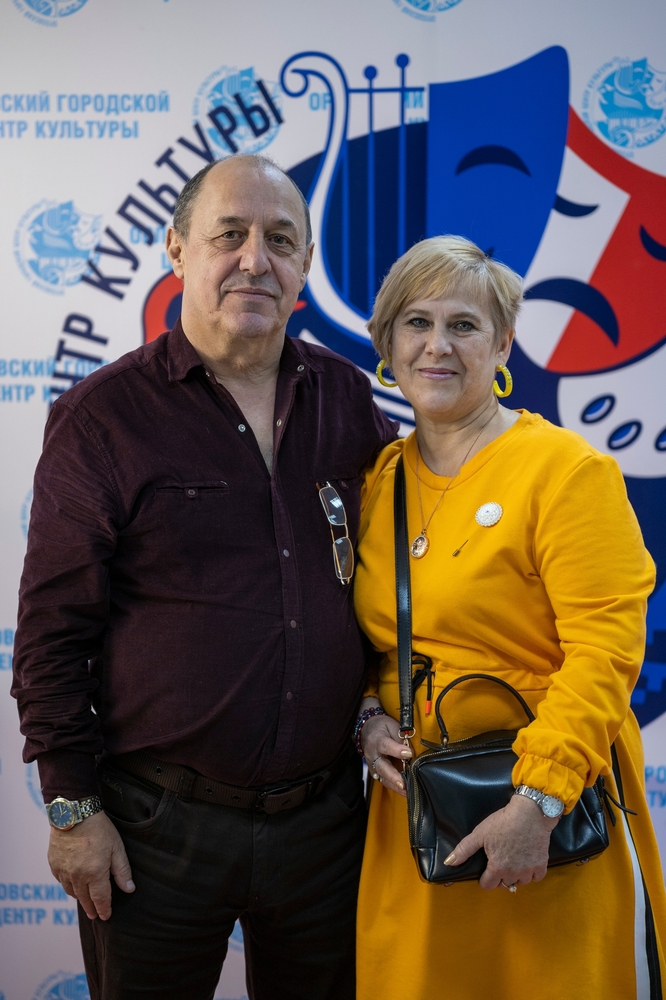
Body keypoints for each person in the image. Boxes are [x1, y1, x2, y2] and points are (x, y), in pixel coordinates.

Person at [12, 154, 396, 1000]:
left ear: (304, 264)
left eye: (281, 240)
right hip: (155, 831)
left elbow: (390, 584)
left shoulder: (346, 400)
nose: (256, 259)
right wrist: (71, 811)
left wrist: (376, 708)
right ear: (177, 249)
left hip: (329, 828)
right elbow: (50, 635)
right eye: (230, 235)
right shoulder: (103, 417)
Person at [352, 235, 666, 999]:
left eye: (464, 325)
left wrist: (539, 800)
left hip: (550, 814)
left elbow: (606, 652)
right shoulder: (380, 480)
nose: (437, 345)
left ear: (502, 345)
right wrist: (365, 715)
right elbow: (366, 639)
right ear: (388, 345)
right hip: (418, 816)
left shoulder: (567, 471)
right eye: (416, 323)